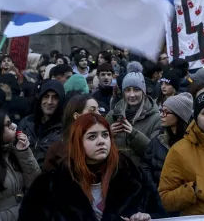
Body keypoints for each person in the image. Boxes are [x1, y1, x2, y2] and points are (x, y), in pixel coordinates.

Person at [19, 113, 165, 221]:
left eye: (105, 135)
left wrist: (148, 217)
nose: (101, 142)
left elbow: (161, 214)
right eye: (92, 137)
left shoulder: (135, 177)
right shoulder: (49, 185)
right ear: (78, 142)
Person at [105, 70, 160, 165]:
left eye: (136, 89)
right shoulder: (112, 115)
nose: (132, 95)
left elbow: (155, 152)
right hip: (116, 172)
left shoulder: (156, 118)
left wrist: (134, 134)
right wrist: (108, 135)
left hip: (142, 175)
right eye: (127, 90)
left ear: (143, 92)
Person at [142, 93, 192, 186]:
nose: (161, 115)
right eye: (161, 111)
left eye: (166, 112)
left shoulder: (193, 143)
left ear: (179, 115)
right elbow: (146, 166)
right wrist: (153, 189)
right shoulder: (158, 140)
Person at [43, 93, 100, 171]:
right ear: (77, 116)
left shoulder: (103, 143)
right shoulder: (56, 149)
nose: (99, 114)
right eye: (92, 110)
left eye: (98, 110)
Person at [18, 80, 65, 168]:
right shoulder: (26, 122)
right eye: (46, 96)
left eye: (55, 98)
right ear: (40, 98)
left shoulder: (65, 128)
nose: (49, 102)